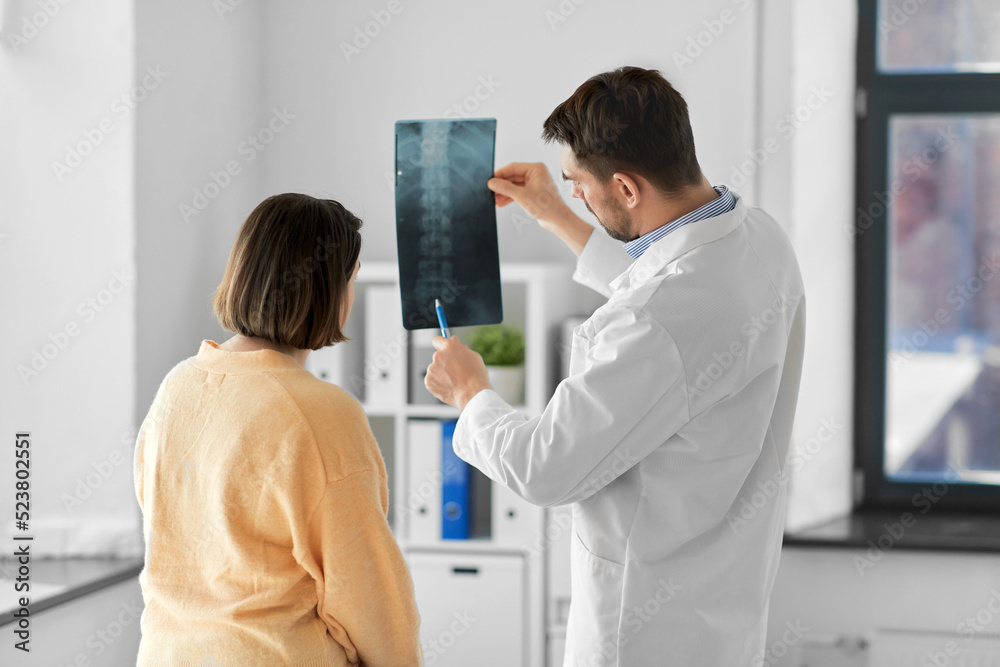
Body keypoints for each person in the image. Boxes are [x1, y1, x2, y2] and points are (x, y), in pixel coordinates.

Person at [424, 66, 806, 665]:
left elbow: (545, 468)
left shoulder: (658, 319)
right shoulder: (758, 238)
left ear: (626, 189)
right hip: (720, 618)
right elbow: (669, 303)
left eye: (579, 183)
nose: (576, 190)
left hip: (643, 632)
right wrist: (555, 213)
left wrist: (472, 395)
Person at [133, 193, 423, 666]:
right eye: (350, 281)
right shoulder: (321, 413)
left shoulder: (177, 386)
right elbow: (370, 596)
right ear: (330, 292)